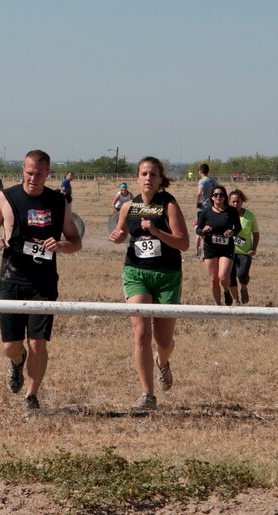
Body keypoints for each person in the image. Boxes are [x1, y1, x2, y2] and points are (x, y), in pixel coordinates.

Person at [0, 150, 83, 412]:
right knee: (10, 346)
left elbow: (75, 241)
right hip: (11, 279)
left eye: (39, 174)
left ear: (47, 174)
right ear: (22, 171)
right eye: (28, 172)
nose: (32, 178)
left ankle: (31, 396)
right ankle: (17, 362)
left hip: (43, 283)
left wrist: (61, 245)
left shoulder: (59, 201)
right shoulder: (7, 197)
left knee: (38, 341)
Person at [108, 156, 190, 414]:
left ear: (159, 179)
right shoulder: (127, 206)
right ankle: (148, 396)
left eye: (153, 174)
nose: (148, 178)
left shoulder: (169, 204)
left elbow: (183, 243)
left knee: (163, 341)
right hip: (136, 272)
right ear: (137, 177)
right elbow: (121, 234)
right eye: (144, 173)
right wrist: (118, 236)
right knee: (141, 334)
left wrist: (157, 232)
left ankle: (162, 362)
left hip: (166, 275)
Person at [196, 184, 242, 306]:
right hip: (210, 247)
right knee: (213, 279)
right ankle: (218, 306)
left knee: (222, 277)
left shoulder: (231, 211)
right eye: (215, 195)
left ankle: (226, 291)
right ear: (211, 197)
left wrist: (232, 231)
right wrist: (203, 231)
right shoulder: (205, 212)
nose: (218, 197)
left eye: (221, 195)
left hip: (226, 248)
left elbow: (238, 227)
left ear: (225, 197)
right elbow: (198, 230)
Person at [228, 189, 260, 304]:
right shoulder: (225, 215)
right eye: (233, 202)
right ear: (228, 202)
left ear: (242, 201)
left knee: (242, 275)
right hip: (229, 252)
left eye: (238, 201)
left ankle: (244, 288)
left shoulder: (249, 216)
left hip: (245, 252)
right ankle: (236, 300)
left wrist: (254, 248)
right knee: (230, 278)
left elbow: (255, 233)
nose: (235, 204)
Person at [195, 164, 218, 256]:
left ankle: (200, 251)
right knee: (210, 229)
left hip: (203, 208)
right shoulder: (213, 181)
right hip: (212, 208)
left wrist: (197, 202)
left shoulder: (202, 181)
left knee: (200, 229)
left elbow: (199, 192)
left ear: (200, 171)